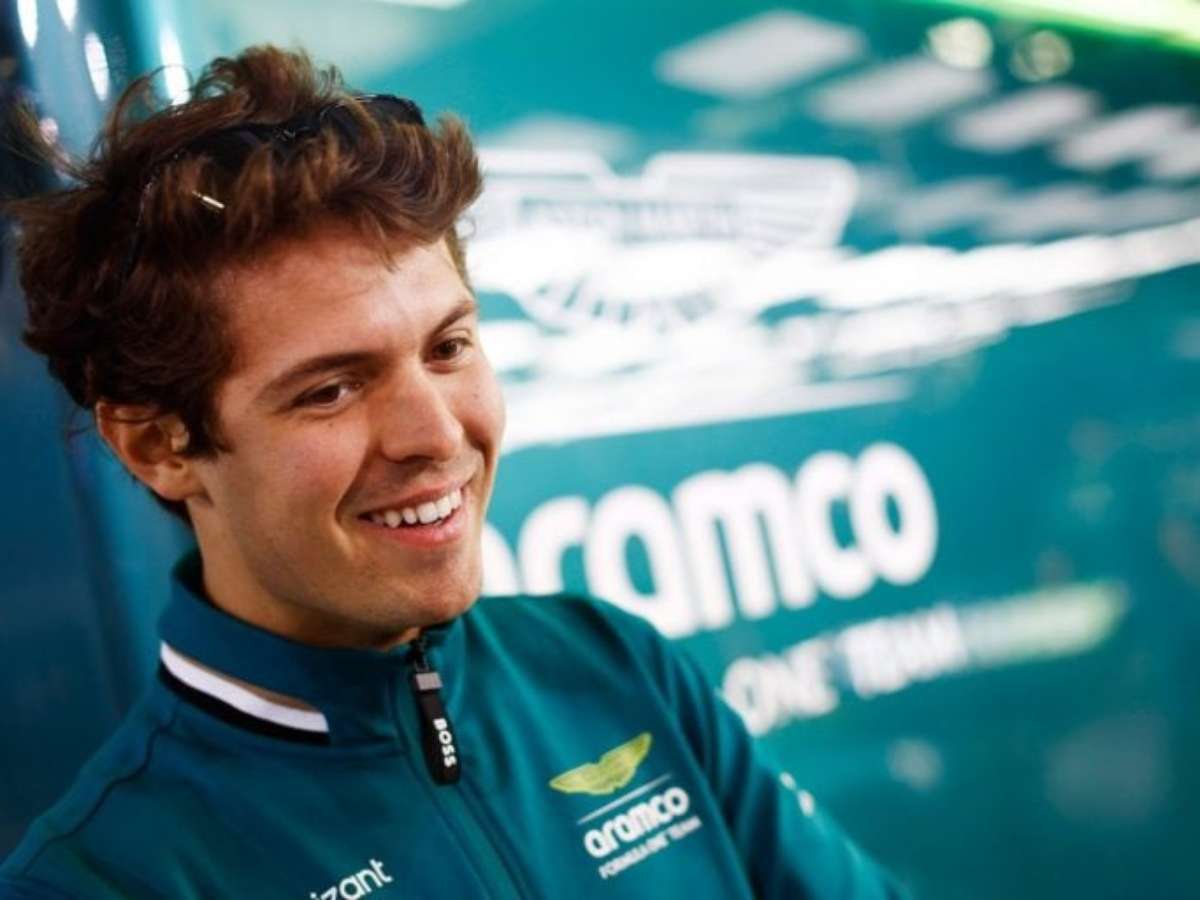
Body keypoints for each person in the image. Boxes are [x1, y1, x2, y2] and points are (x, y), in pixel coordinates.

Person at [0, 46, 903, 899]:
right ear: (158, 446)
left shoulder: (610, 664)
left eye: (449, 347)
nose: (437, 434)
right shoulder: (105, 879)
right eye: (330, 390)